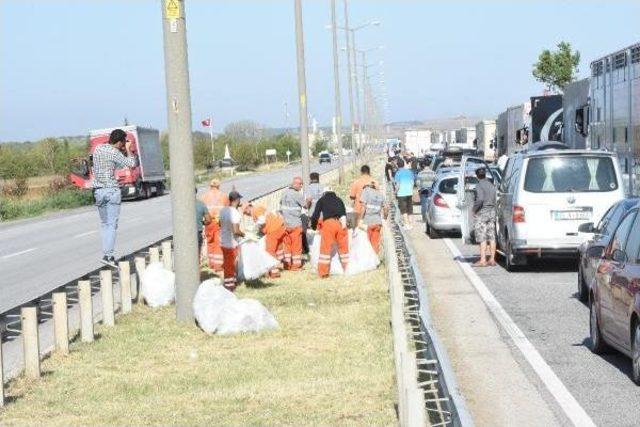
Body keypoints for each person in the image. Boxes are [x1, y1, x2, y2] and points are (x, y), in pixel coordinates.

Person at [92, 128, 137, 267]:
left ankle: (106, 253)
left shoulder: (98, 149)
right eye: (123, 143)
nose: (124, 145)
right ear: (118, 142)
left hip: (98, 191)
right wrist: (128, 150)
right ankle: (109, 256)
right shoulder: (114, 152)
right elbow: (132, 164)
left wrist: (122, 148)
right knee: (112, 225)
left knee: (105, 225)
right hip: (111, 191)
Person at [311, 187, 349, 278]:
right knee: (344, 249)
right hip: (341, 223)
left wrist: (313, 226)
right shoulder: (339, 199)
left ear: (324, 193)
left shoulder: (322, 200)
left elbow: (315, 215)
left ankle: (323, 273)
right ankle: (347, 269)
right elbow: (344, 213)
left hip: (329, 224)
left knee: (325, 249)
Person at [245, 203, 286, 278]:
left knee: (269, 251)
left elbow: (262, 221)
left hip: (273, 229)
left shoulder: (256, 210)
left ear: (248, 208)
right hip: (280, 226)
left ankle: (274, 272)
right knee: (278, 249)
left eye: (245, 212)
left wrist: (253, 228)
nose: (247, 215)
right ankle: (281, 264)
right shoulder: (259, 208)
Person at [200, 178, 229, 272]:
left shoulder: (204, 196)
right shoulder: (224, 196)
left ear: (210, 186)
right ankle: (218, 265)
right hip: (219, 222)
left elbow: (202, 211)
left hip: (208, 222)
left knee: (210, 242)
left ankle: (211, 263)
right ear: (218, 186)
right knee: (218, 243)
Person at [219, 191, 245, 290]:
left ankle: (232, 281)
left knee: (227, 263)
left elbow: (220, 224)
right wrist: (244, 234)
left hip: (223, 241)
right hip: (231, 243)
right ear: (237, 200)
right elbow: (236, 231)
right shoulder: (235, 213)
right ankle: (229, 285)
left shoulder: (223, 210)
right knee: (230, 264)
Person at [472, 167, 497, 267]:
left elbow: (480, 199)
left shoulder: (479, 185)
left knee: (482, 237)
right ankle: (492, 259)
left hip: (482, 213)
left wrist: (474, 210)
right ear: (485, 175)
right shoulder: (491, 185)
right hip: (492, 212)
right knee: (492, 236)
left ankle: (483, 260)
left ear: (477, 176)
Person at [280, 176, 305, 270]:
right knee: (296, 246)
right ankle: (296, 266)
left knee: (287, 246)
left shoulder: (284, 193)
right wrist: (309, 200)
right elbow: (305, 205)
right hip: (295, 224)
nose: (301, 186)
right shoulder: (297, 194)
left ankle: (287, 265)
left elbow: (281, 205)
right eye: (300, 184)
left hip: (286, 224)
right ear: (295, 184)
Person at [358, 180, 388, 254]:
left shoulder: (366, 191)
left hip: (368, 222)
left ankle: (368, 261)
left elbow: (363, 207)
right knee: (375, 243)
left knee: (366, 243)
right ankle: (375, 261)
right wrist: (385, 218)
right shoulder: (380, 194)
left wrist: (360, 219)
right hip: (378, 222)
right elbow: (386, 208)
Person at [394, 158, 415, 229]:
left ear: (397, 165)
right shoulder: (410, 172)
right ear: (403, 164)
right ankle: (411, 224)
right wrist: (411, 190)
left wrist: (395, 192)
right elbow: (412, 183)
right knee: (410, 209)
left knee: (404, 210)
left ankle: (407, 224)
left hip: (401, 193)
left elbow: (398, 185)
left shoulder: (398, 173)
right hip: (409, 193)